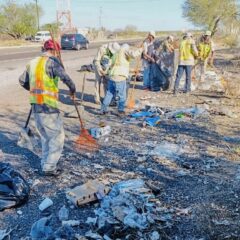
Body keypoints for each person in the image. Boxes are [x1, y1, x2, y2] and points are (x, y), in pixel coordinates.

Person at [19, 39, 76, 176]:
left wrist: (34, 89)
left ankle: (45, 163)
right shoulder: (53, 62)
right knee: (57, 137)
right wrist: (72, 90)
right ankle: (49, 167)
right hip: (48, 106)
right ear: (55, 51)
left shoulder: (32, 62)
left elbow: (22, 81)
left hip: (36, 105)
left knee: (45, 136)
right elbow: (66, 78)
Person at [100, 44, 142, 115]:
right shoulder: (124, 50)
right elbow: (134, 54)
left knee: (109, 94)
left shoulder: (115, 54)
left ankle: (103, 109)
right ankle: (120, 110)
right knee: (122, 95)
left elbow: (119, 66)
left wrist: (133, 70)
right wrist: (141, 49)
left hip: (112, 76)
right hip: (120, 77)